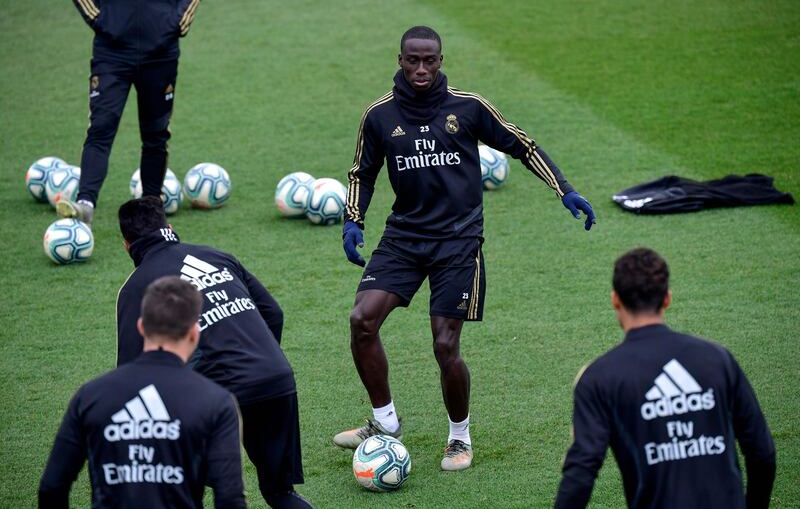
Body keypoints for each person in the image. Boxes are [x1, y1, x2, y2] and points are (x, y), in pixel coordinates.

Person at [335, 25, 596, 471]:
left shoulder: (468, 108)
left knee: (444, 343)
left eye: (429, 60)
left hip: (458, 241)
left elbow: (522, 145)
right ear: (399, 60)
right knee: (362, 319)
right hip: (403, 238)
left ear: (440, 61)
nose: (421, 68)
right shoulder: (379, 116)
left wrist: (564, 190)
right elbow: (362, 172)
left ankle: (459, 437)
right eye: (412, 60)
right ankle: (385, 423)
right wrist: (353, 220)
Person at [116, 197, 312, 509]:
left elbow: (131, 371)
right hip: (275, 378)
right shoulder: (216, 256)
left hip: (213, 398)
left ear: (127, 245)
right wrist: (257, 362)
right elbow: (273, 313)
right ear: (170, 228)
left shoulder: (136, 288)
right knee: (279, 493)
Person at [554, 248, 776, 508]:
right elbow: (763, 453)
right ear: (667, 298)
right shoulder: (717, 359)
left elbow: (580, 474)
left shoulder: (599, 377)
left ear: (615, 300)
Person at [39, 276, 245, 508]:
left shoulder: (91, 395)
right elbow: (230, 498)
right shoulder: (216, 401)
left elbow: (52, 487)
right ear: (194, 333)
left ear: (141, 327)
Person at [57, 0, 205, 226]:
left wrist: (176, 23)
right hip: (111, 56)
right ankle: (85, 205)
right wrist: (100, 19)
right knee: (101, 127)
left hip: (160, 56)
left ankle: (153, 210)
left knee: (156, 134)